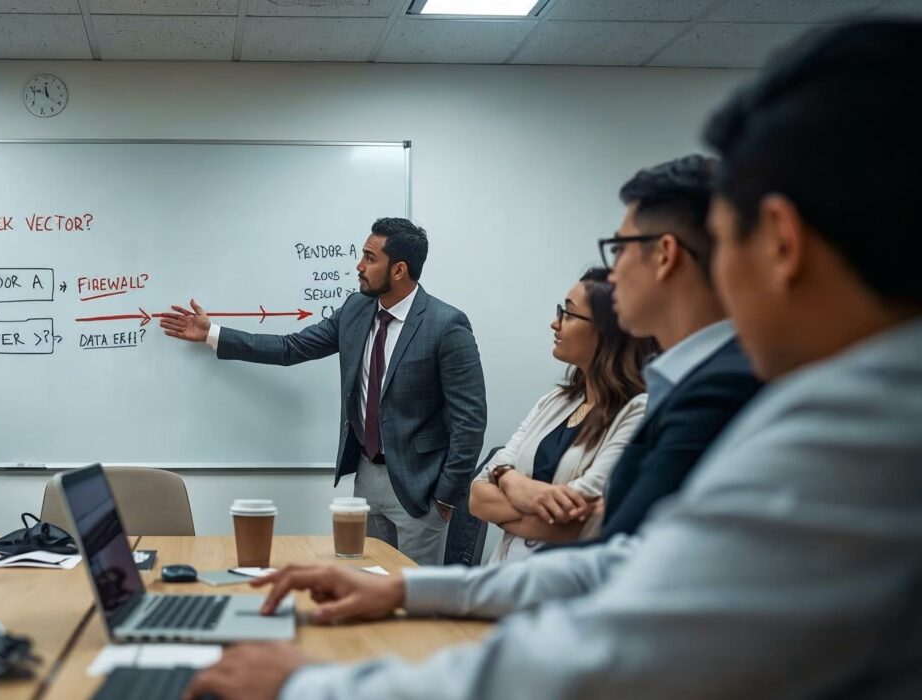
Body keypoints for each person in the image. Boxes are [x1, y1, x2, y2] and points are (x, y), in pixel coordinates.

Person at [184, 19, 922, 699]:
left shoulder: (847, 421)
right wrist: (414, 587)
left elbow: (625, 642)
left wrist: (311, 688)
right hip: (380, 489)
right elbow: (624, 565)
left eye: (726, 243)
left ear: (781, 243)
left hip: (421, 502)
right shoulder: (825, 395)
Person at [159, 218, 487, 566]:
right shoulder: (356, 310)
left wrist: (446, 496)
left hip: (421, 488)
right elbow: (291, 348)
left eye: (370, 258)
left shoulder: (445, 325)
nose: (359, 266)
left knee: (416, 594)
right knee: (366, 580)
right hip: (366, 477)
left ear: (399, 269)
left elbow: (470, 419)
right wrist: (214, 334)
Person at [589, 154, 763, 541]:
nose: (612, 272)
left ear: (665, 255)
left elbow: (625, 554)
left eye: (618, 249)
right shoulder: (690, 375)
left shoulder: (723, 387)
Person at [469, 268, 652, 561]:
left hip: (560, 585)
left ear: (606, 330)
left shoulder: (637, 410)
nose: (555, 324)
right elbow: (477, 496)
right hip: (503, 576)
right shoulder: (555, 401)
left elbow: (577, 518)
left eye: (568, 314)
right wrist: (510, 478)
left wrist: (504, 488)